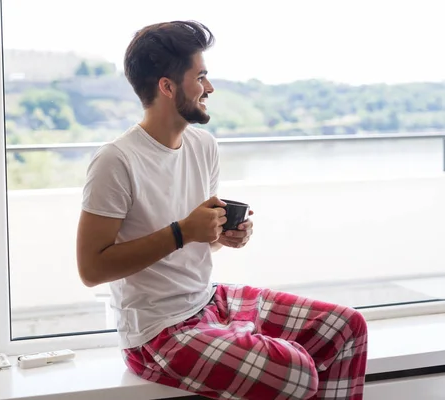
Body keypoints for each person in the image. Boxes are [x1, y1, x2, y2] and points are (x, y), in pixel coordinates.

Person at [76, 20, 368, 400]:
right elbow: (91, 269)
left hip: (208, 300)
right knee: (295, 370)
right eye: (200, 77)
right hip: (156, 333)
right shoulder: (116, 160)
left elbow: (199, 243)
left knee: (345, 327)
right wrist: (182, 231)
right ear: (167, 86)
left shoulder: (203, 145)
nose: (209, 88)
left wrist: (220, 235)